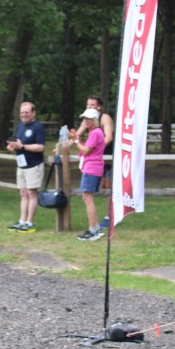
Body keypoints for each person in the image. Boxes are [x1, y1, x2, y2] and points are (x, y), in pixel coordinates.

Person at [71, 95, 114, 226]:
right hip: (95, 159)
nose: (89, 107)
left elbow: (109, 137)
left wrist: (96, 149)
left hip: (107, 155)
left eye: (92, 105)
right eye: (87, 105)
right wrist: (64, 145)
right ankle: (96, 223)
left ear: (99, 107)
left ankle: (108, 217)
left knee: (108, 186)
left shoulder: (104, 118)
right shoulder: (88, 120)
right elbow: (77, 135)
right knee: (95, 190)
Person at [6, 101, 46, 233]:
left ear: (33, 113)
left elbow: (40, 147)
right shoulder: (20, 127)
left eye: (27, 112)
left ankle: (29, 222)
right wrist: (12, 146)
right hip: (21, 165)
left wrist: (22, 146)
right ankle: (22, 221)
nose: (24, 115)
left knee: (31, 193)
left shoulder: (38, 127)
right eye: (22, 112)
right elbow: (15, 142)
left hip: (33, 165)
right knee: (23, 193)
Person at [74, 108, 106, 240]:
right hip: (93, 167)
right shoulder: (95, 132)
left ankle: (93, 230)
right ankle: (95, 227)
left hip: (91, 168)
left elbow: (86, 150)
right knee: (87, 198)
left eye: (88, 119)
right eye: (84, 118)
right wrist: (76, 139)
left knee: (88, 199)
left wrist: (76, 141)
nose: (85, 121)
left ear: (94, 120)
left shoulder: (95, 133)